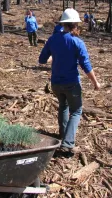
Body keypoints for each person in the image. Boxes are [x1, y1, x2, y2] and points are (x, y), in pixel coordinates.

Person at [39, 8, 100, 154]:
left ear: (63, 24)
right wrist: (95, 82)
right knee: (77, 110)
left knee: (63, 106)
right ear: (75, 24)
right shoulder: (77, 42)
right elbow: (86, 66)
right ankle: (67, 143)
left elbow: (42, 60)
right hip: (71, 83)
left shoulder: (52, 39)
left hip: (56, 83)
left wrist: (54, 56)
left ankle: (63, 134)